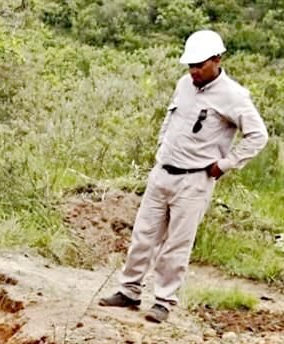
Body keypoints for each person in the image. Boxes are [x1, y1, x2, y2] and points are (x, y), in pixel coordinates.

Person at [100, 29, 268, 323]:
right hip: (162, 172)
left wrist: (226, 164)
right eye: (190, 65)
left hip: (194, 180)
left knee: (177, 243)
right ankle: (129, 291)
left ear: (217, 59)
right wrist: (161, 145)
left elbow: (258, 136)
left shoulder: (234, 96)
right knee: (143, 235)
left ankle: (163, 300)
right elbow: (171, 118)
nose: (193, 71)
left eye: (199, 65)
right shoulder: (184, 84)